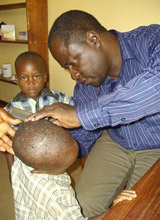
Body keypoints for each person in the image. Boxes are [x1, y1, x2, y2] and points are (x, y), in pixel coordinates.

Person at [25, 10, 160, 217]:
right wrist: (53, 153)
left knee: (137, 211)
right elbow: (85, 135)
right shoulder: (86, 86)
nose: (73, 75)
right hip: (115, 141)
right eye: (66, 68)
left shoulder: (151, 40)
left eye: (73, 62)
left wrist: (79, 115)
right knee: (81, 207)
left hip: (156, 146)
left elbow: (155, 86)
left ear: (93, 39)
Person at [12, 119, 136, 219]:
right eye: (64, 168)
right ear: (39, 170)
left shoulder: (23, 157)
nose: (70, 169)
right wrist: (114, 209)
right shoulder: (58, 195)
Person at [3, 51, 74, 182]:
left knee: (55, 184)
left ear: (45, 77)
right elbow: (8, 145)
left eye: (36, 76)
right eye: (24, 78)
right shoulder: (11, 109)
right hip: (26, 157)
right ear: (17, 79)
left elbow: (75, 111)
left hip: (54, 155)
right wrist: (11, 170)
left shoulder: (58, 98)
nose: (31, 83)